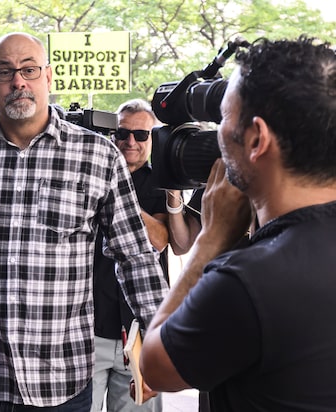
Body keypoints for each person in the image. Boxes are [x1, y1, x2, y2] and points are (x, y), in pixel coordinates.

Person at [0, 32, 169, 410]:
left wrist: (162, 346)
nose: (18, 82)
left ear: (48, 76)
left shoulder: (97, 155)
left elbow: (135, 258)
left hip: (62, 380)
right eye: (6, 71)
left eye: (29, 70)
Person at [140, 36, 336, 411]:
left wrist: (211, 241)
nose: (216, 136)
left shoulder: (248, 281)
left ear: (257, 139)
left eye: (223, 120)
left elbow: (156, 366)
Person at [91, 99, 168, 412]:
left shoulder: (162, 181)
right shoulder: (91, 175)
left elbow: (160, 240)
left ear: (153, 139)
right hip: (89, 326)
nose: (130, 142)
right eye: (122, 133)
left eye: (141, 135)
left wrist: (120, 197)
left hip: (137, 328)